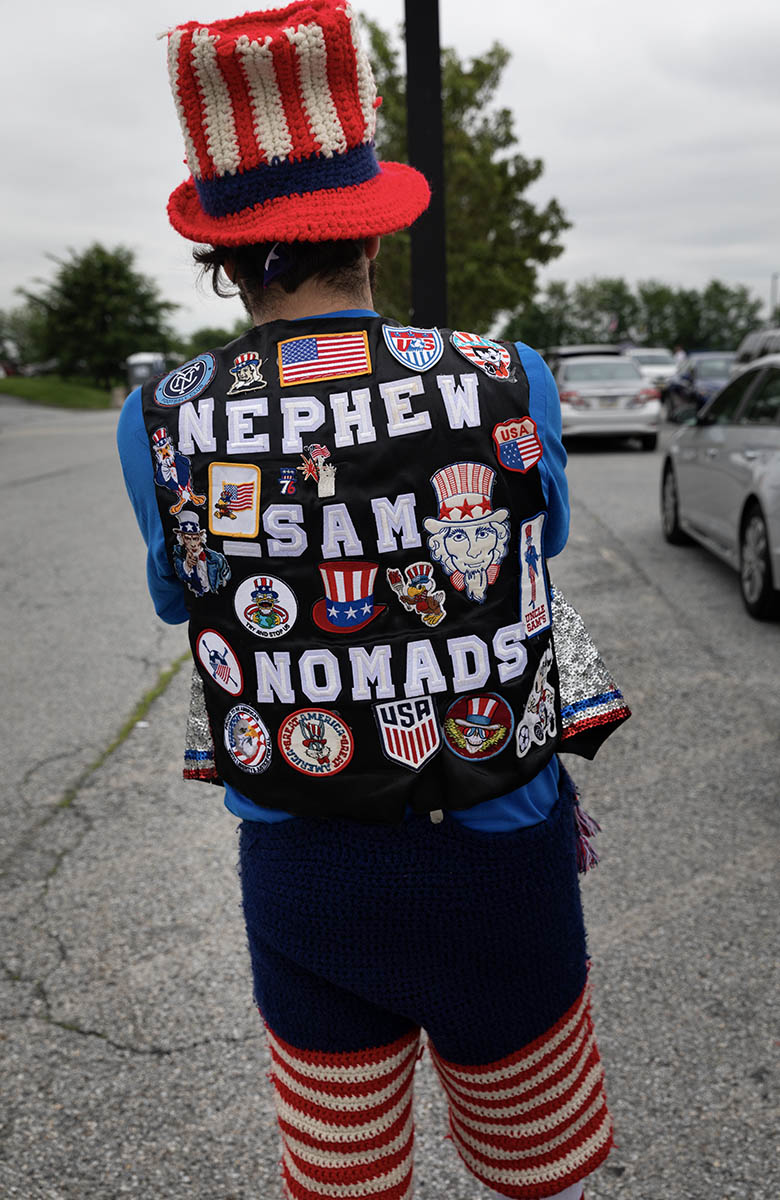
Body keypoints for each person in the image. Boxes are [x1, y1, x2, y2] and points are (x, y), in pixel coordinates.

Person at [118, 4, 627, 1197]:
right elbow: (533, 539)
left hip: (302, 855)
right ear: (371, 234)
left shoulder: (161, 416)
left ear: (228, 255)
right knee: (537, 1170)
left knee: (345, 1179)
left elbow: (172, 594)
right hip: (499, 844)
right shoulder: (510, 376)